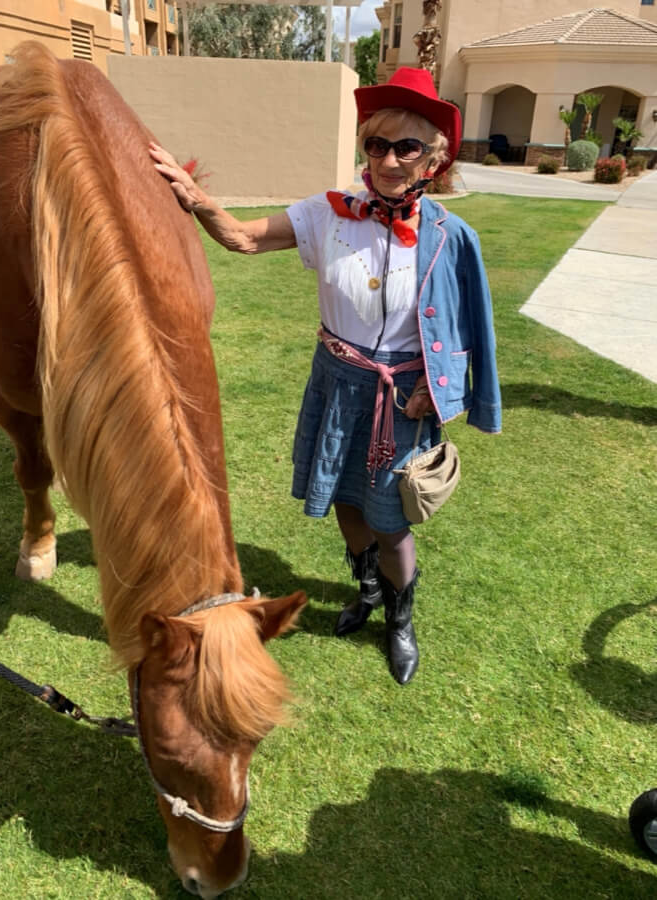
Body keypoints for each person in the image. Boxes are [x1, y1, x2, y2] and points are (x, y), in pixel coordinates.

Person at [149, 67, 501, 685]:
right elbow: (243, 239)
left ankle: (399, 621)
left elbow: (469, 324)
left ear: (434, 159)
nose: (389, 159)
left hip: (403, 400)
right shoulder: (328, 213)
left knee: (391, 523)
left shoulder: (450, 236)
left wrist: (436, 390)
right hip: (337, 381)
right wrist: (195, 196)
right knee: (343, 497)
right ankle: (364, 591)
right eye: (377, 144)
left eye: (406, 147)